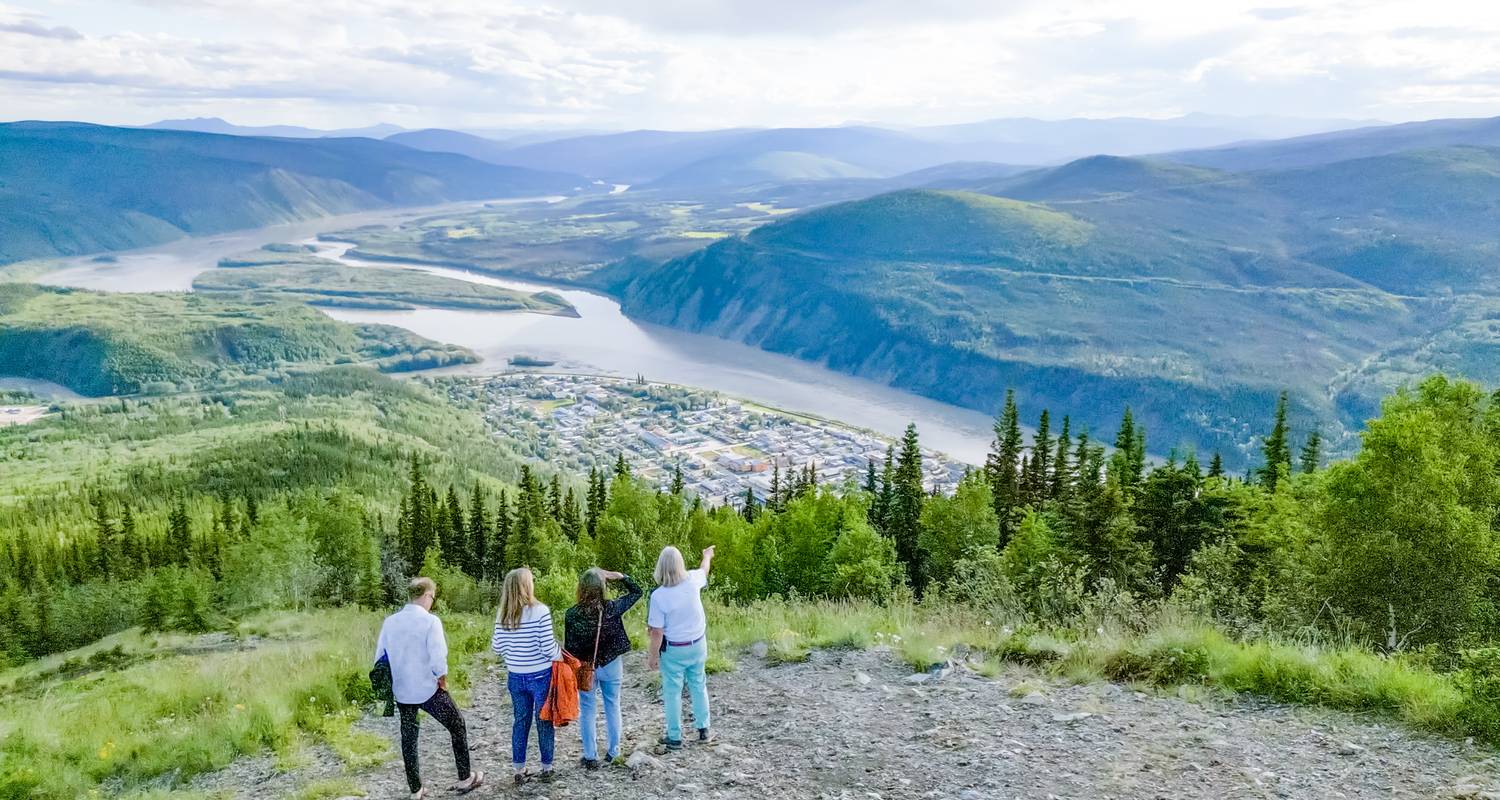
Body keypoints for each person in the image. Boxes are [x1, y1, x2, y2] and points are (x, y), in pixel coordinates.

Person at [374, 577, 483, 800]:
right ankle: (465, 778)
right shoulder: (430, 622)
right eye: (432, 597)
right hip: (428, 689)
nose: (432, 601)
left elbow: (380, 658)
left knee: (409, 738)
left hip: (402, 690)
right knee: (457, 725)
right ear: (426, 595)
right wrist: (442, 679)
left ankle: (416, 790)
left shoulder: (390, 622)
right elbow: (437, 657)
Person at [564, 567, 643, 769]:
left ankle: (590, 756)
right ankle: (613, 751)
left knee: (588, 710)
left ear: (581, 588)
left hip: (585, 668)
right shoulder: (612, 608)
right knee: (613, 705)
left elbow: (570, 648)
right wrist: (621, 575)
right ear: (602, 587)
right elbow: (637, 592)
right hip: (611, 664)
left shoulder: (572, 614)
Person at [491, 567, 562, 784]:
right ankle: (547, 767)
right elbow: (548, 647)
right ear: (527, 586)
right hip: (540, 675)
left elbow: (496, 647)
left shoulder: (503, 615)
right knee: (544, 721)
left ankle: (519, 768)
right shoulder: (540, 611)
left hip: (515, 675)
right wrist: (560, 655)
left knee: (520, 721)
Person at [646, 545, 715, 750]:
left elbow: (656, 632)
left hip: (674, 649)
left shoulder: (659, 596)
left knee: (672, 691)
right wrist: (707, 555)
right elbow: (704, 569)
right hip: (697, 644)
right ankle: (704, 730)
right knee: (698, 684)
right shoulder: (693, 580)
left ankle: (675, 736)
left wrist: (652, 657)